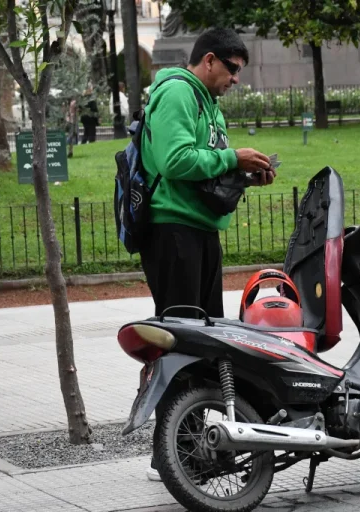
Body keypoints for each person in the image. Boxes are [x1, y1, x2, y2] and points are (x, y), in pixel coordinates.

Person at [138, 27, 274, 482]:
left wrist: (245, 176)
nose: (236, 80)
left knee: (202, 342)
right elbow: (175, 160)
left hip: (198, 230)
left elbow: (204, 168)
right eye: (233, 70)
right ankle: (172, 453)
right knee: (181, 343)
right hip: (174, 232)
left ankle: (187, 446)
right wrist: (233, 158)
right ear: (210, 60)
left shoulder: (208, 103)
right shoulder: (179, 92)